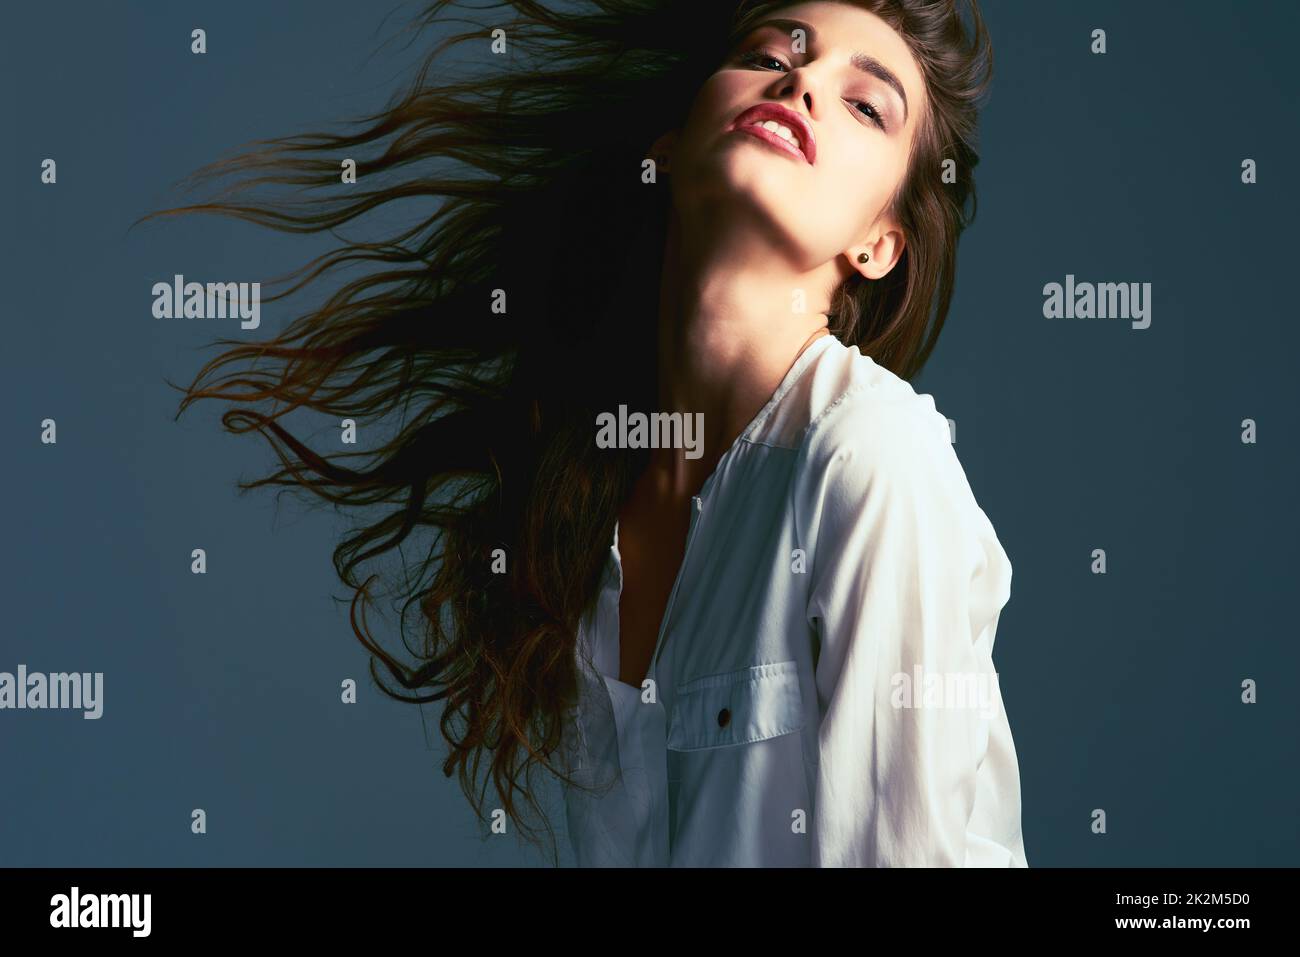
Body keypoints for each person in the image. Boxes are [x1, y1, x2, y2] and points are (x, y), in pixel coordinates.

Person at [144, 0, 1026, 866]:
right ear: (668, 146)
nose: (801, 83)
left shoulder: (868, 455)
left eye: (865, 105)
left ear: (879, 245)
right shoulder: (589, 518)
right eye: (770, 54)